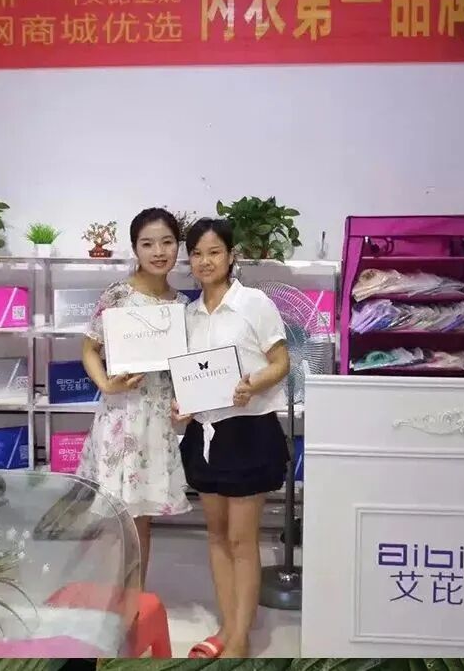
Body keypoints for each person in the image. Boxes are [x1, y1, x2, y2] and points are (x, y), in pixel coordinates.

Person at [174, 217, 291, 659]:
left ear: (230, 255)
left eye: (214, 252)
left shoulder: (254, 303)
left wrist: (253, 384)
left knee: (243, 539)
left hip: (248, 431)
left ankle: (240, 639)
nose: (205, 261)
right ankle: (228, 627)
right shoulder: (188, 315)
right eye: (197, 254)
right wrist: (182, 405)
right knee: (216, 536)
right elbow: (189, 376)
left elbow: (281, 362)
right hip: (205, 433)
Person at [75, 207, 192, 585]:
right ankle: (108, 595)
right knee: (112, 514)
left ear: (178, 247)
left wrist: (186, 403)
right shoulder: (118, 295)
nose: (158, 251)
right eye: (148, 244)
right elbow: (89, 348)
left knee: (141, 516)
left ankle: (134, 596)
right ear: (135, 248)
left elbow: (183, 369)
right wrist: (106, 384)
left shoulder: (182, 305)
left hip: (156, 422)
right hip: (120, 416)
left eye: (167, 242)